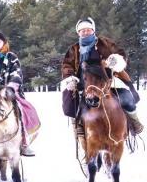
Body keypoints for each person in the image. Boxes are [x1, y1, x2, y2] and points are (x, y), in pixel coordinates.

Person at [60, 17, 143, 147]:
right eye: (82, 30)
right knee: (70, 103)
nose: (85, 32)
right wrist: (70, 78)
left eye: (88, 29)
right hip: (83, 81)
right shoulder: (74, 49)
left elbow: (120, 54)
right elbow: (67, 65)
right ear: (78, 33)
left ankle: (134, 120)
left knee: (126, 96)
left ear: (93, 30)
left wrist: (115, 60)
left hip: (107, 78)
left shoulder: (104, 43)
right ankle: (78, 126)